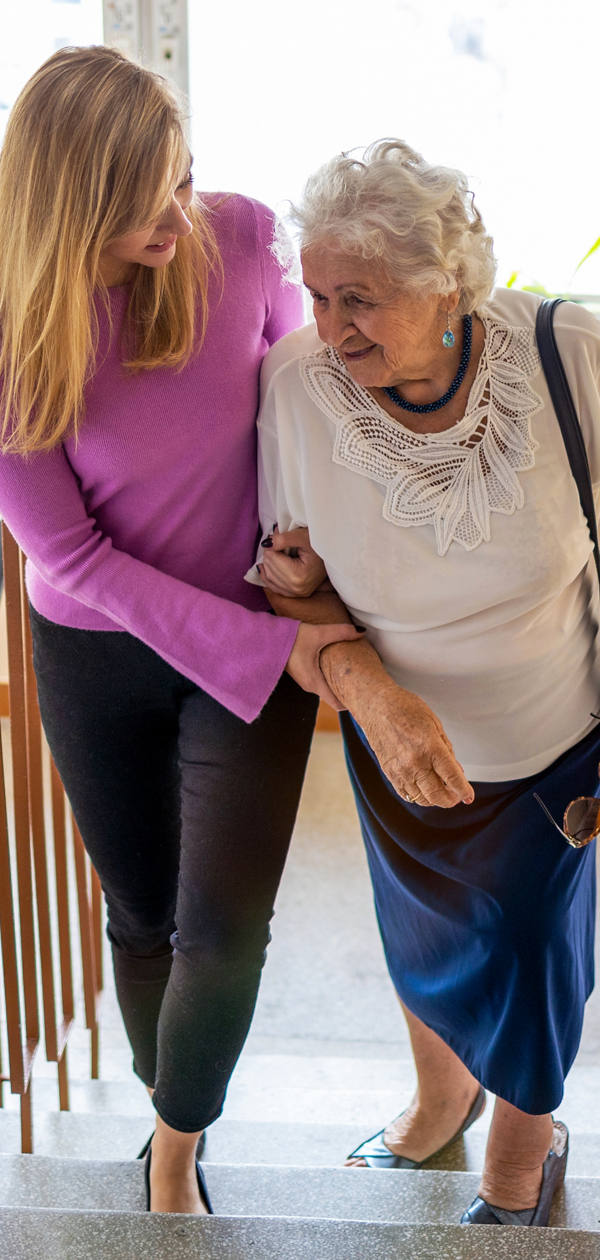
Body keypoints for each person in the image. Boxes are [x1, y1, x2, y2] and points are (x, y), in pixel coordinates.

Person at [0, 46, 362, 1216]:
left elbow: (311, 406)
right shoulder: (12, 333)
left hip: (251, 640)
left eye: (183, 173)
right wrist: (271, 645)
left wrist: (305, 560)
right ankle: (180, 1116)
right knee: (142, 915)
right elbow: (71, 557)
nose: (177, 210)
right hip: (96, 648)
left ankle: (167, 1161)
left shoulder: (244, 239)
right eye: (144, 195)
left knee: (225, 929)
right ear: (72, 203)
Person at [248, 138, 600, 1227]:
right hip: (396, 742)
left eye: (362, 296)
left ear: (447, 282)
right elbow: (292, 584)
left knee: (537, 948)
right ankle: (439, 1098)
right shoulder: (297, 388)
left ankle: (519, 1157)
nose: (330, 324)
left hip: (559, 740)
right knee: (428, 938)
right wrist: (366, 689)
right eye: (316, 294)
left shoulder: (568, 351)